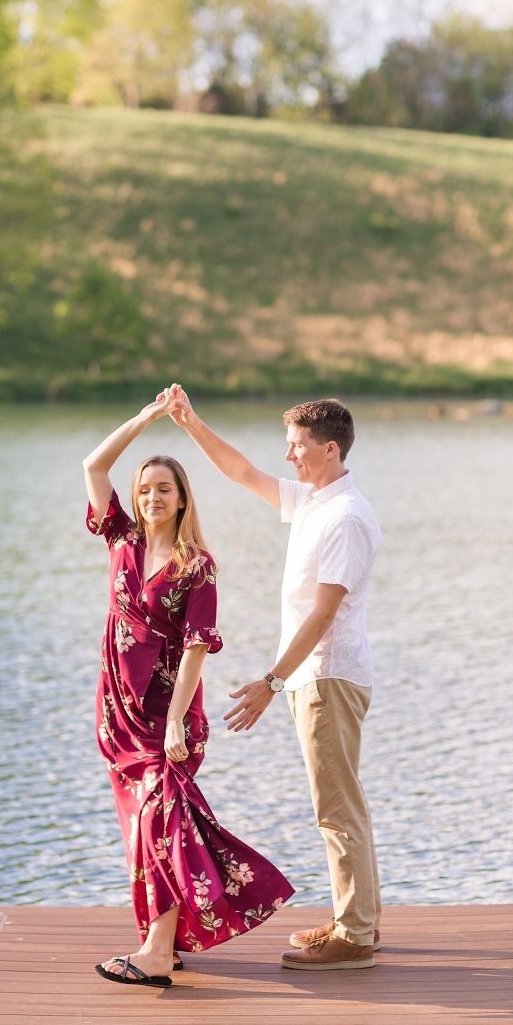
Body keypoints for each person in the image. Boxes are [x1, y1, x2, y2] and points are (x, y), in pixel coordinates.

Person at [166, 386, 383, 972]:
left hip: (327, 676)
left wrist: (271, 680)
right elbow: (241, 471)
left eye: (297, 446)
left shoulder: (344, 516)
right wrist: (191, 423)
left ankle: (356, 935)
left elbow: (322, 613)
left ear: (330, 450)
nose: (288, 456)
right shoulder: (315, 500)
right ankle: (352, 919)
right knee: (340, 803)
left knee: (337, 808)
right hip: (316, 676)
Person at [83, 395, 294, 988]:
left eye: (164, 489)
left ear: (182, 500)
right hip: (116, 713)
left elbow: (198, 646)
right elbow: (93, 468)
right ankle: (165, 942)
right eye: (145, 487)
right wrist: (144, 420)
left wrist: (177, 721)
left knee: (162, 821)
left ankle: (155, 951)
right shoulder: (120, 538)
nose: (153, 498)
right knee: (141, 826)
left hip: (166, 715)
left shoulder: (196, 566)